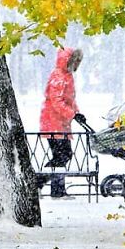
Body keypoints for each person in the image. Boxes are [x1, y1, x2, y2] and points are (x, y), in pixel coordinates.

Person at [39, 47, 86, 198]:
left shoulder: (67, 76)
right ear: (69, 61)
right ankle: (37, 184)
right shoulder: (58, 76)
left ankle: (56, 190)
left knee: (63, 155)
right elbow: (56, 101)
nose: (78, 64)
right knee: (62, 155)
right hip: (53, 122)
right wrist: (72, 114)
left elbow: (69, 101)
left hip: (62, 123)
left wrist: (77, 113)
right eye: (76, 61)